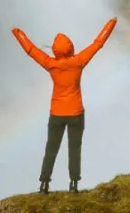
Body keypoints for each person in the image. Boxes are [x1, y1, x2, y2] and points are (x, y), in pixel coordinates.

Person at [10, 17, 117, 195]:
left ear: (55, 50)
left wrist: (17, 32)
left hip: (57, 114)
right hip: (76, 113)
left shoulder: (50, 64)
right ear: (71, 47)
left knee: (51, 148)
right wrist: (111, 23)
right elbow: (98, 43)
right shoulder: (78, 62)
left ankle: (44, 185)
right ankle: (74, 185)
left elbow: (30, 50)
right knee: (74, 149)